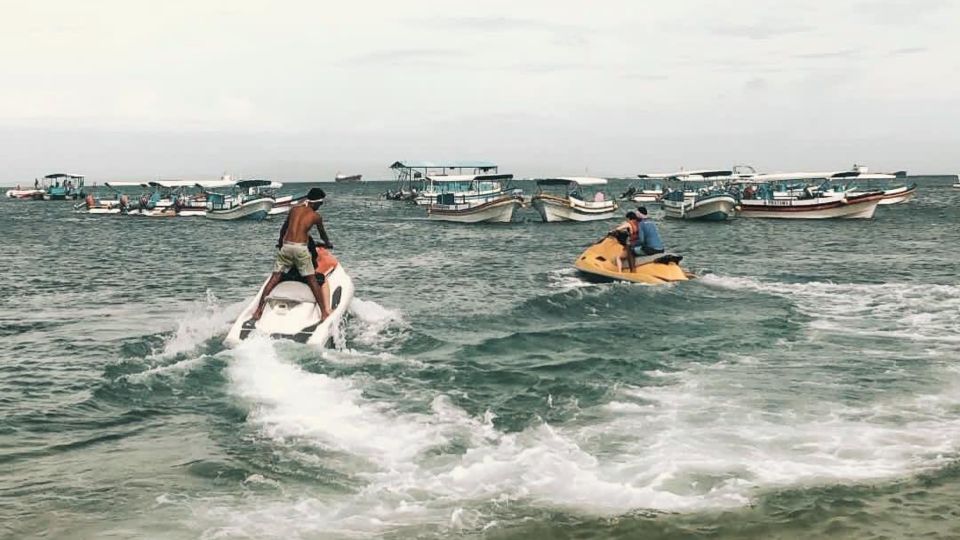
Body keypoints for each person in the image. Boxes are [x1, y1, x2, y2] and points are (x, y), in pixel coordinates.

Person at [249, 188, 332, 322]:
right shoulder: (316, 216)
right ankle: (324, 313)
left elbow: (284, 228)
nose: (320, 206)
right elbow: (322, 234)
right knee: (312, 280)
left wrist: (281, 243)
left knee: (274, 277)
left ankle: (258, 311)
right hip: (300, 249)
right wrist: (327, 243)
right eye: (320, 203)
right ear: (316, 203)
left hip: (286, 247)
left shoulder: (294, 209)